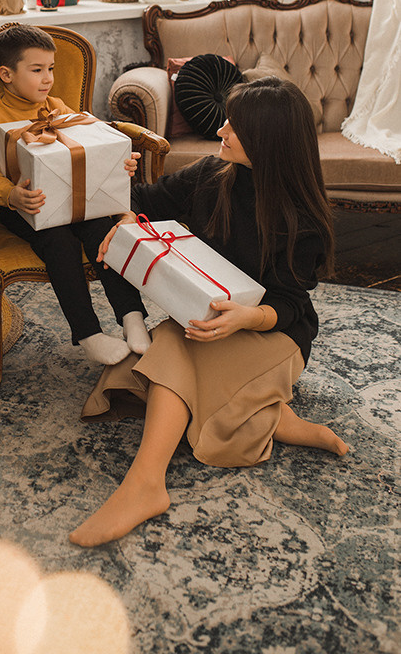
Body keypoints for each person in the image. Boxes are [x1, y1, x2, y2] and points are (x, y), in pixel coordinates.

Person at [69, 77, 349, 548]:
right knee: (176, 343)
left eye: (234, 126)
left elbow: (289, 305)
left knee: (168, 351)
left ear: (266, 141)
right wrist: (119, 182)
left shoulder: (302, 217)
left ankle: (145, 485)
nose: (221, 130)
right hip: (210, 324)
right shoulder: (209, 174)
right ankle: (272, 416)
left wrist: (243, 319)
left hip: (274, 335)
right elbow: (145, 203)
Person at [0, 24, 150, 366]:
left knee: (104, 232)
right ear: (6, 74)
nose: (48, 78)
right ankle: (89, 334)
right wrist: (12, 195)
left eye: (50, 69)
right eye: (37, 70)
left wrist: (118, 164)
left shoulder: (56, 106)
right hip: (25, 206)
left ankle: (132, 316)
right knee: (60, 242)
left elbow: (92, 144)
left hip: (73, 198)